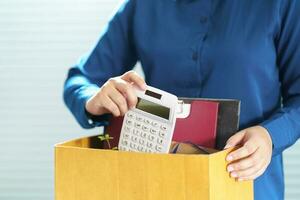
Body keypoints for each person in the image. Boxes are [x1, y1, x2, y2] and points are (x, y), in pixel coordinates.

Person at [63, 0, 300, 199]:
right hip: (157, 186)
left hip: (248, 186)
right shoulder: (142, 5)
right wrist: (92, 100)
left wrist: (270, 135)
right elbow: (80, 79)